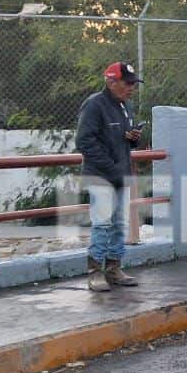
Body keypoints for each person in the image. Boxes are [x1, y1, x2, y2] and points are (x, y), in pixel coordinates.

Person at [75, 61, 143, 292]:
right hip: (100, 176)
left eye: (134, 83)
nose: (132, 87)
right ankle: (94, 273)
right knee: (102, 224)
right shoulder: (94, 105)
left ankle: (114, 268)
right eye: (128, 83)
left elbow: (122, 139)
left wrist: (132, 138)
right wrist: (111, 167)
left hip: (120, 174)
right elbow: (84, 141)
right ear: (111, 81)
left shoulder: (125, 106)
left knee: (119, 225)